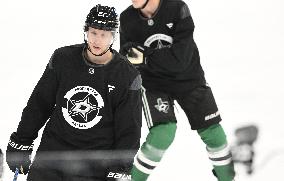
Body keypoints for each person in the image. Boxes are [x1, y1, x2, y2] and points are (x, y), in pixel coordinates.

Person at [6, 4, 142, 181]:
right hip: (51, 157)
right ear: (86, 31)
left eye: (104, 34)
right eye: (93, 32)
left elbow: (129, 130)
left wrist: (120, 168)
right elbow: (39, 104)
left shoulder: (127, 75)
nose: (97, 40)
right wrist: (22, 140)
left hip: (94, 167)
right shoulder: (63, 59)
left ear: (113, 36)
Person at [119, 0, 235, 180]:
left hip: (189, 78)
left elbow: (180, 60)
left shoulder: (177, 8)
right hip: (153, 84)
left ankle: (228, 177)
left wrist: (146, 56)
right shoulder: (127, 18)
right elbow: (127, 58)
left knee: (214, 133)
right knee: (162, 133)